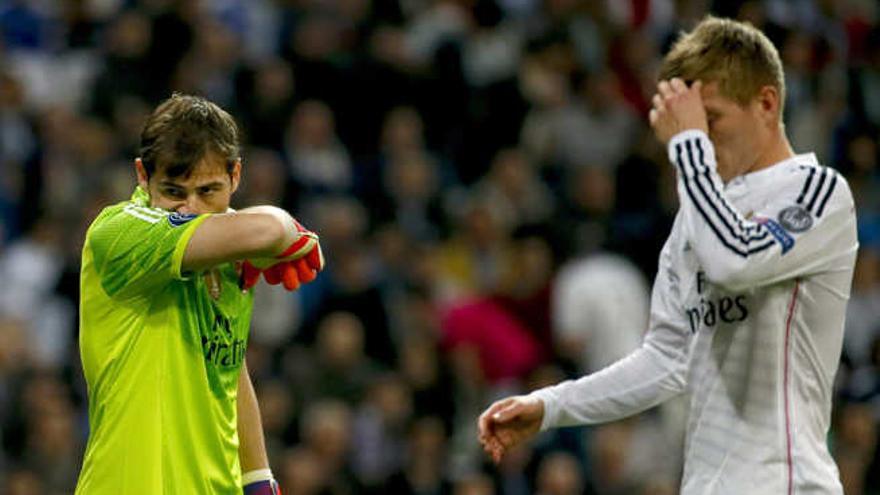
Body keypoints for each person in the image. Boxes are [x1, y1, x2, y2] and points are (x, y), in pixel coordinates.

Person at [478, 16, 858, 495]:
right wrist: (552, 407)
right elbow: (666, 358)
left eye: (711, 119)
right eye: (690, 124)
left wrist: (687, 146)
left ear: (766, 103)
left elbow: (735, 261)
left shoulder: (817, 191)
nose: (700, 137)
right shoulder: (697, 218)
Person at [75, 94, 324, 494]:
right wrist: (284, 227)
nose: (191, 209)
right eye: (174, 192)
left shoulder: (230, 256)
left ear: (236, 176)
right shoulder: (119, 233)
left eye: (208, 191)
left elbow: (227, 363)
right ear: (142, 175)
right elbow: (270, 230)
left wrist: (258, 478)